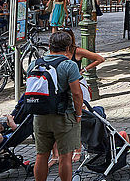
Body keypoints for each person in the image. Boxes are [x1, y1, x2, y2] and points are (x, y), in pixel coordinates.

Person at [29, 31, 84, 181]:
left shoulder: (34, 64)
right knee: (65, 157)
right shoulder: (69, 65)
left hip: (40, 115)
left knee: (41, 155)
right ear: (68, 48)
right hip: (63, 116)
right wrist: (78, 114)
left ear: (49, 46)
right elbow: (77, 94)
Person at [52, 29, 103, 163]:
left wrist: (84, 69)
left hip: (78, 86)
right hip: (64, 88)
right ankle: (56, 154)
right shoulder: (56, 54)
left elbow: (100, 58)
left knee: (79, 118)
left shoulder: (77, 51)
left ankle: (78, 149)